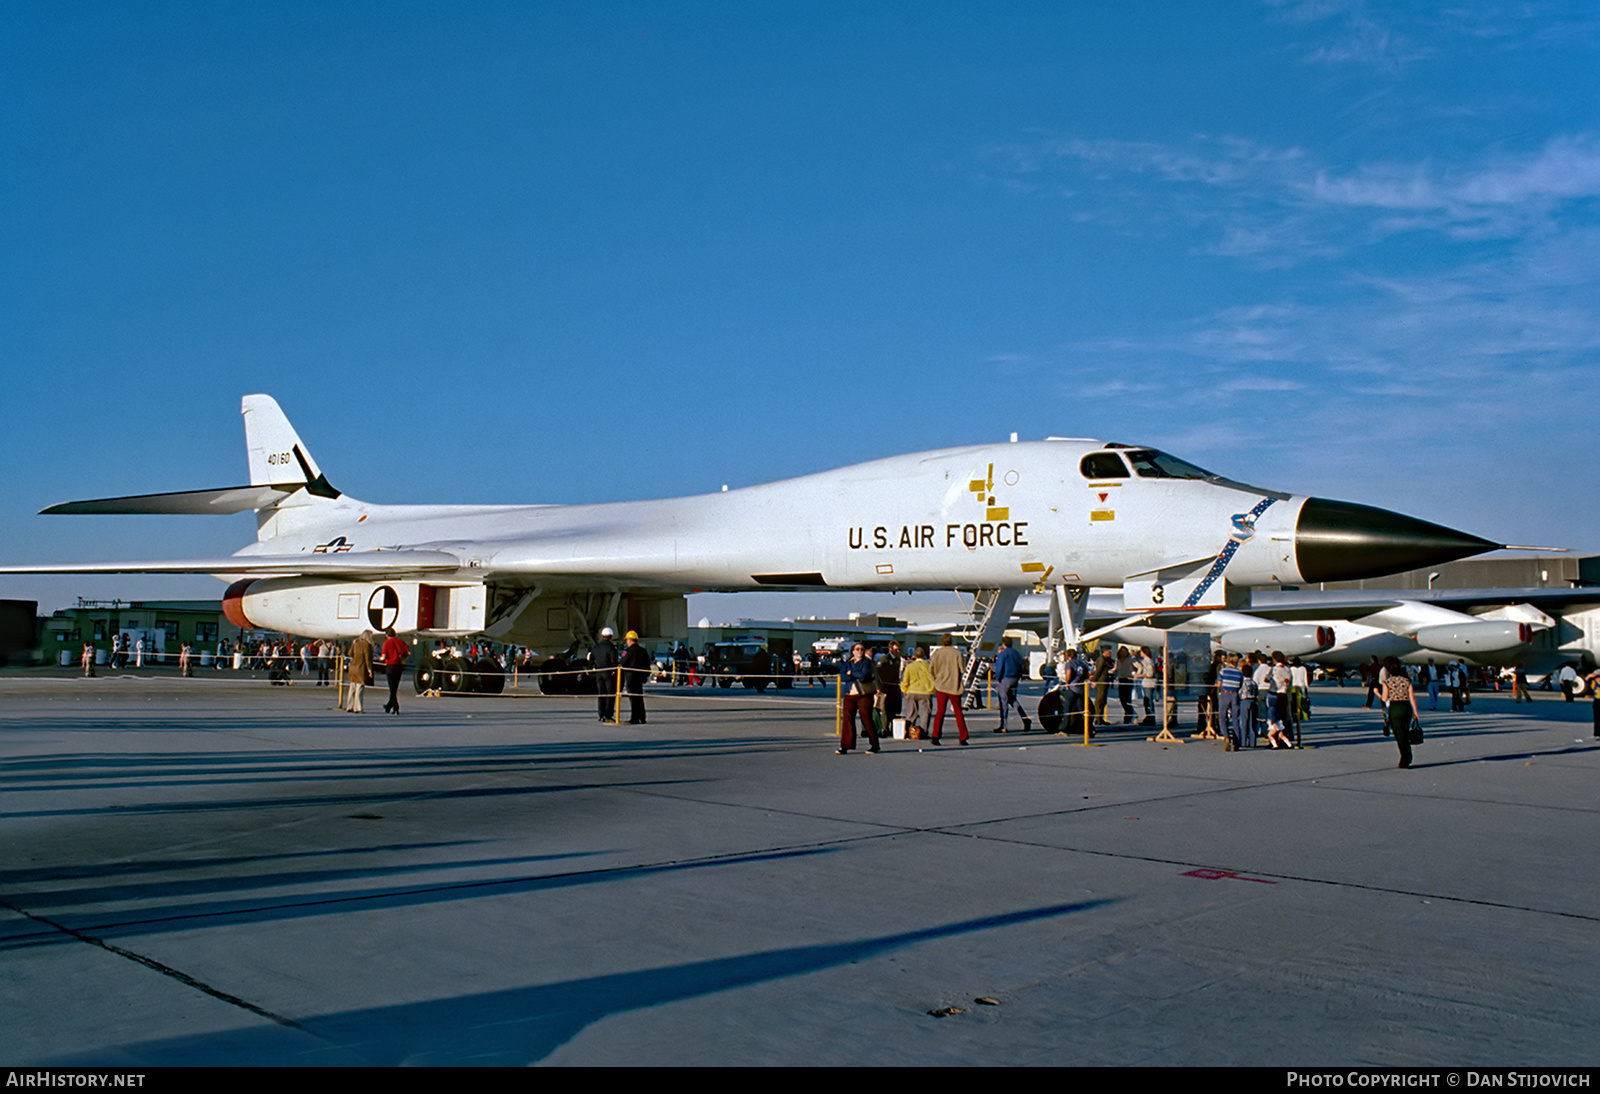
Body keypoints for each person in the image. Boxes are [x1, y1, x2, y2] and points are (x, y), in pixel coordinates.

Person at [836, 642, 880, 754]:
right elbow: (843, 676)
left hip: (864, 695)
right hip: (850, 694)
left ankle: (874, 745)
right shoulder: (848, 663)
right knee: (847, 719)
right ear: (853, 651)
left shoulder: (867, 662)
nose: (860, 651)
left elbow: (864, 676)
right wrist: (852, 674)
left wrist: (852, 673)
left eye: (862, 649)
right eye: (857, 649)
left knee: (866, 718)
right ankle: (845, 745)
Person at [928, 634, 969, 746]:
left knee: (940, 711)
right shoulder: (957, 653)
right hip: (953, 685)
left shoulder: (936, 653)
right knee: (958, 711)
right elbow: (962, 669)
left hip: (940, 685)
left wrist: (935, 680)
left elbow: (930, 669)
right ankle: (963, 736)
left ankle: (935, 735)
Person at [1382, 655, 1421, 768]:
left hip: (1395, 708)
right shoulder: (1406, 681)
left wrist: (1377, 693)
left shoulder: (1387, 683)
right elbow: (1412, 697)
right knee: (1405, 731)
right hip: (1406, 707)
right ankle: (1407, 757)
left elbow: (1384, 699)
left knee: (1400, 735)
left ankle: (1405, 758)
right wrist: (1416, 712)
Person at [992, 637, 1032, 733]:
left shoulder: (1003, 654)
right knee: (1012, 700)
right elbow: (1022, 666)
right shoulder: (1017, 653)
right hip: (1014, 678)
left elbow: (1000, 667)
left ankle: (1004, 725)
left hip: (1005, 679)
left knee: (1003, 701)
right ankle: (1025, 718)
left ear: (1004, 644)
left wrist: (998, 678)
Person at [901, 645, 935, 739]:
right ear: (924, 656)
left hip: (912, 691)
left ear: (914, 656)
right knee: (925, 713)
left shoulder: (910, 667)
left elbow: (905, 680)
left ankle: (909, 731)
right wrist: (932, 690)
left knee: (911, 713)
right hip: (925, 692)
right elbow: (934, 679)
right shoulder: (929, 666)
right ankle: (923, 732)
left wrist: (904, 689)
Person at [619, 630, 651, 724]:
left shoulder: (628, 651)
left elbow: (622, 663)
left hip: (630, 677)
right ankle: (642, 717)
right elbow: (647, 664)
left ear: (629, 640)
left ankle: (635, 718)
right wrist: (645, 676)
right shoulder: (643, 651)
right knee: (639, 697)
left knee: (633, 698)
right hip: (640, 677)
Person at [591, 627, 619, 722]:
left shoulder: (596, 647)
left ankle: (601, 714)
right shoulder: (611, 647)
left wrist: (594, 666)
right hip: (608, 672)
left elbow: (591, 659)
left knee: (601, 694)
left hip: (599, 673)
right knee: (610, 694)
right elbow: (614, 661)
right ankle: (608, 715)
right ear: (611, 637)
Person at [875, 641, 904, 732]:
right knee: (885, 709)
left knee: (894, 709)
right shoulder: (885, 659)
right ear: (890, 649)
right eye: (896, 649)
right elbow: (877, 672)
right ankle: (884, 728)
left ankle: (893, 728)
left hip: (894, 687)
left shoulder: (898, 659)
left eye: (899, 649)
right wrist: (879, 686)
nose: (898, 651)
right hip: (886, 686)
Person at [381, 627, 410, 715]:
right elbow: (408, 653)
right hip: (399, 666)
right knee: (395, 687)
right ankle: (389, 706)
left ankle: (395, 707)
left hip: (390, 666)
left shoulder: (387, 643)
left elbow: (384, 656)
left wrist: (380, 658)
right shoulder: (401, 642)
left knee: (392, 688)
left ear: (387, 635)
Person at [346, 631, 374, 713]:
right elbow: (367, 659)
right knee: (359, 688)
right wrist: (370, 670)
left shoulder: (355, 643)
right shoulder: (366, 645)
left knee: (352, 688)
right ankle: (358, 707)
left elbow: (349, 653)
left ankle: (349, 706)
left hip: (352, 667)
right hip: (360, 668)